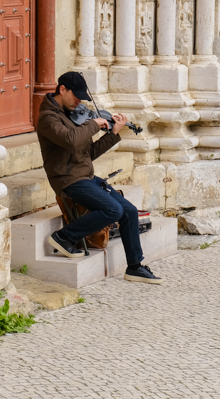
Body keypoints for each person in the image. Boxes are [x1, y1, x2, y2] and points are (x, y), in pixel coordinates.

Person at [35, 71, 163, 285]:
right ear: (62, 89)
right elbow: (70, 140)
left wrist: (113, 133)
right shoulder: (48, 119)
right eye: (75, 96)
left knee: (129, 211)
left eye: (82, 97)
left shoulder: (73, 113)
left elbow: (87, 153)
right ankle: (64, 236)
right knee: (113, 210)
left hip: (86, 177)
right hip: (68, 180)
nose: (79, 101)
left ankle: (134, 266)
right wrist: (94, 124)